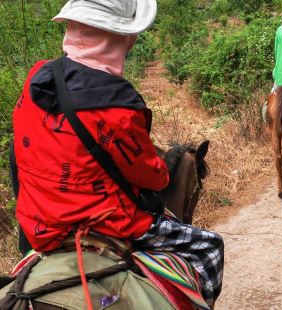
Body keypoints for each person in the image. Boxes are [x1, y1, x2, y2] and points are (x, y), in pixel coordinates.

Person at [9, 0, 223, 306]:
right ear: (123, 37)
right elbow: (153, 176)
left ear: (72, 28)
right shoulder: (118, 107)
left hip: (40, 226)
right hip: (111, 224)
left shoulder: (36, 79)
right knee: (211, 246)